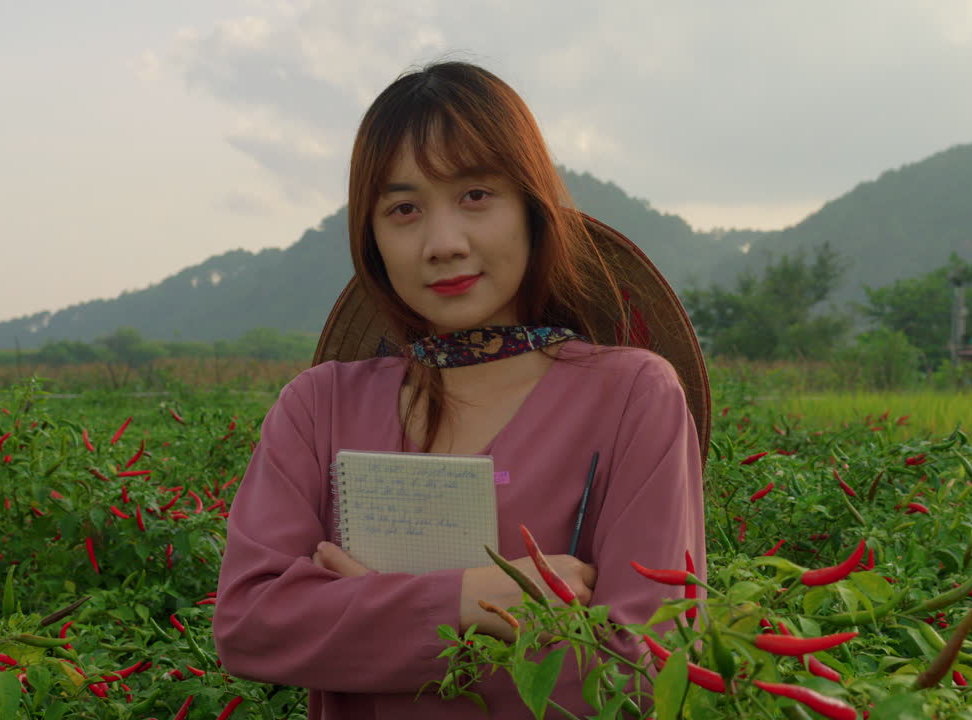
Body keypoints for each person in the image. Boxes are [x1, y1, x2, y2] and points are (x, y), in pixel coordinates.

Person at [214, 60, 708, 719]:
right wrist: (469, 603)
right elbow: (249, 624)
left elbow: (646, 672)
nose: (443, 243)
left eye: (476, 195)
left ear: (530, 211)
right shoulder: (318, 407)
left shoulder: (632, 396)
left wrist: (367, 614)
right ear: (374, 239)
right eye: (404, 209)